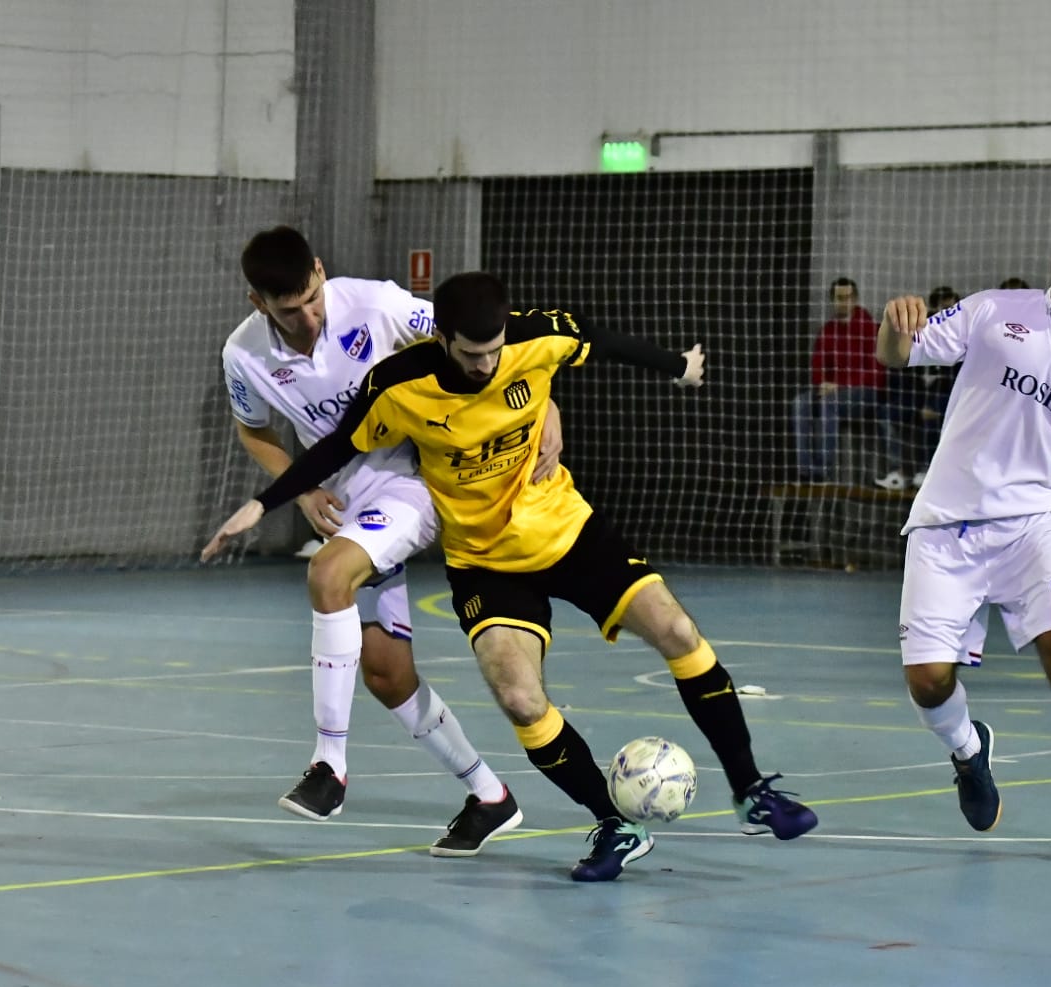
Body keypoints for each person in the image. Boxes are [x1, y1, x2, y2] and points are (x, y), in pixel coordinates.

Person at [204, 270, 818, 882]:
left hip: (567, 531)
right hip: (484, 562)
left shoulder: (534, 337)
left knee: (678, 633)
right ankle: (616, 824)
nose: (487, 364)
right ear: (442, 338)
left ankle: (751, 792)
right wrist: (263, 504)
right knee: (522, 700)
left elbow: (603, 341)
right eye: (473, 354)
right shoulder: (397, 384)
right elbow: (334, 447)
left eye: (495, 350)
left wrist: (677, 365)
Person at [223, 226, 558, 857]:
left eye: (313, 298)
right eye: (289, 310)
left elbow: (485, 339)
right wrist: (300, 491)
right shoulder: (243, 356)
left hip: (421, 480)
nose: (308, 316)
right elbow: (255, 431)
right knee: (384, 672)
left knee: (327, 576)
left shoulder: (375, 303)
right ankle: (490, 797)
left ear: (321, 272)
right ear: (257, 302)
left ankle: (329, 766)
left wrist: (547, 409)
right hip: (351, 498)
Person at [874, 204, 1051, 867]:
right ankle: (969, 752)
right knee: (927, 681)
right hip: (944, 522)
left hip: (1034, 526)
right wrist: (892, 323)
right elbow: (898, 355)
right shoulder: (995, 311)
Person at [791, 277, 887, 482]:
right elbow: (817, 363)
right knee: (800, 403)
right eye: (839, 298)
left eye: (848, 297)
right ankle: (804, 469)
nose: (844, 302)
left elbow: (876, 371)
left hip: (865, 391)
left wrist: (840, 385)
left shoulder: (869, 328)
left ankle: (822, 471)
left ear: (856, 299)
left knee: (829, 403)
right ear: (832, 300)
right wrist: (822, 384)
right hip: (832, 390)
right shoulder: (828, 330)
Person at [874, 286, 959, 491]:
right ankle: (899, 472)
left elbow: (958, 378)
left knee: (933, 414)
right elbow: (900, 366)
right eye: (942, 308)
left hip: (947, 397)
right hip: (915, 395)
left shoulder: (963, 336)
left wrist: (931, 404)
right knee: (886, 413)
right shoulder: (921, 331)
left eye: (952, 307)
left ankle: (927, 470)